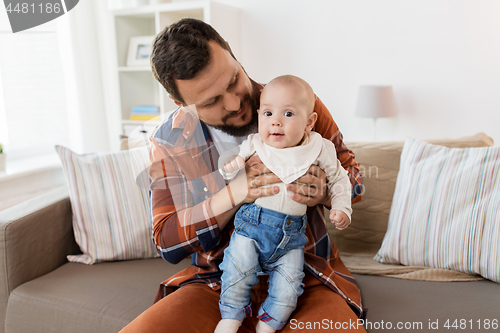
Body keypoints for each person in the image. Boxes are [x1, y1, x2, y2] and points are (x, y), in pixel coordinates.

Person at [119, 18, 365, 333]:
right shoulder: (170, 140)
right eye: (211, 101)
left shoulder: (295, 102)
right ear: (182, 104)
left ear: (234, 56)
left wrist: (325, 191)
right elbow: (168, 242)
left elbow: (353, 176)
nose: (235, 103)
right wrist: (235, 193)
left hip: (306, 276)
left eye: (234, 79)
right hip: (216, 282)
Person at [215, 75, 353, 333]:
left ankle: (268, 323)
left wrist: (340, 206)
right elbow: (229, 164)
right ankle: (231, 315)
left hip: (292, 238)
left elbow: (340, 178)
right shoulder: (255, 144)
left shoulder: (320, 148)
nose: (276, 121)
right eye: (268, 113)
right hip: (250, 228)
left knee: (290, 286)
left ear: (309, 122)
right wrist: (231, 165)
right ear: (259, 116)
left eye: (288, 113)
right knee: (237, 270)